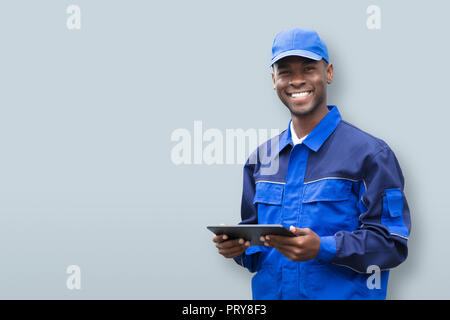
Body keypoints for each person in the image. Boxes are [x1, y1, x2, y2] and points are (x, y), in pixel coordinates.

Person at [212, 28, 411, 300]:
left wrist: (324, 247)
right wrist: (239, 250)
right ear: (274, 80)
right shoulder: (260, 160)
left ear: (328, 73)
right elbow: (258, 256)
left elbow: (391, 245)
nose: (296, 81)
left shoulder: (372, 155)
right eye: (285, 72)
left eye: (308, 69)